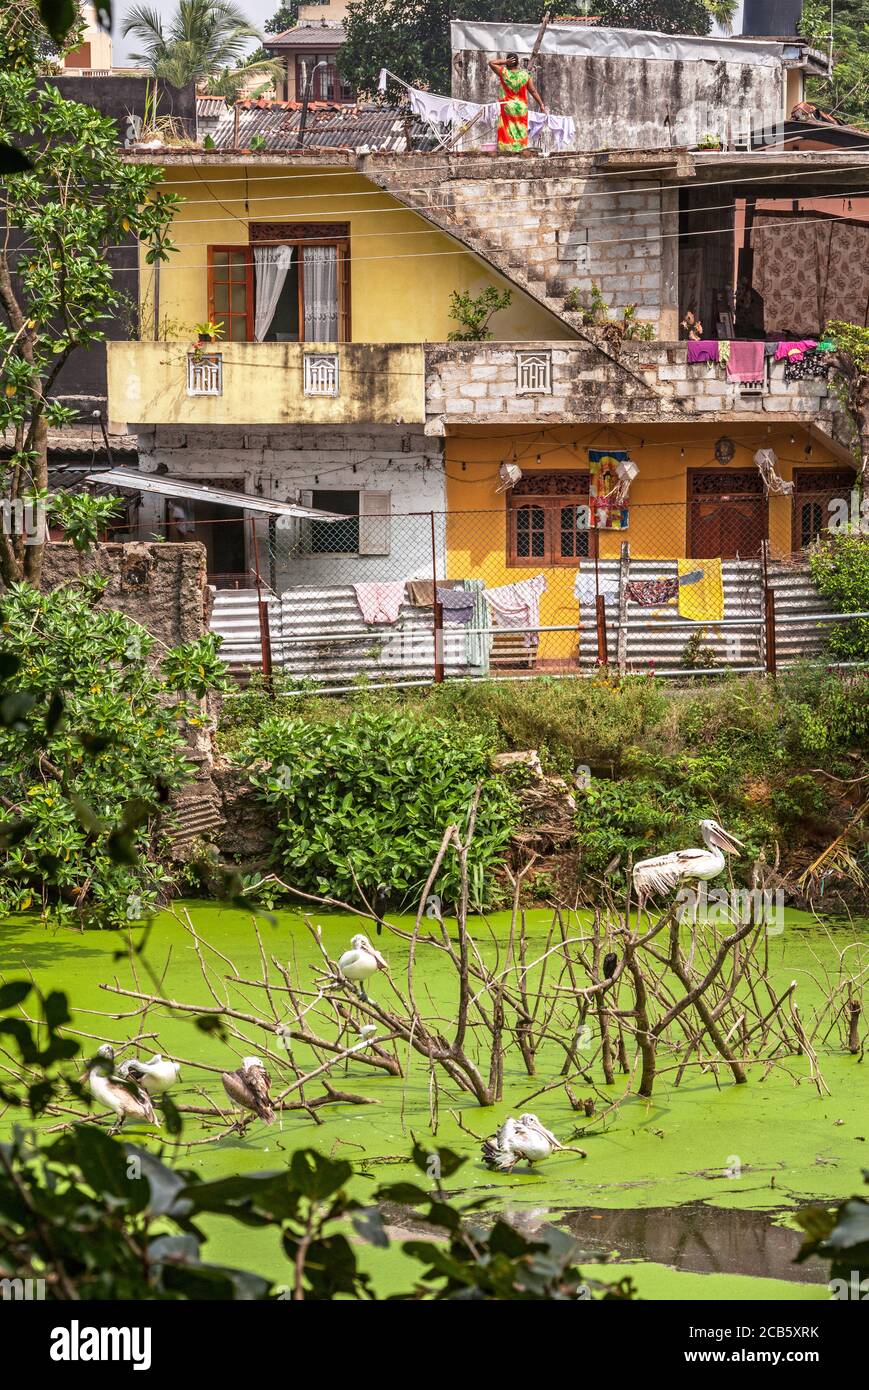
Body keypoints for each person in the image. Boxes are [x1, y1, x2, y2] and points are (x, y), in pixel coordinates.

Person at [488, 51, 545, 154]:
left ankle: (507, 150)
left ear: (508, 63)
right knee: (520, 128)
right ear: (518, 63)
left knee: (507, 128)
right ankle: (520, 149)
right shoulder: (525, 75)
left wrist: (504, 61)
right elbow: (533, 91)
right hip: (521, 108)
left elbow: (491, 63)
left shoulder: (504, 73)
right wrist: (541, 104)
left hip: (507, 107)